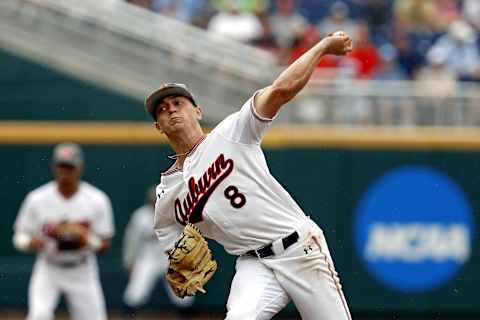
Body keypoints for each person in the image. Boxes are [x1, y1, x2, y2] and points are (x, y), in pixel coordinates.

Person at [146, 31, 353, 319]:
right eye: (162, 110)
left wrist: (323, 46)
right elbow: (166, 231)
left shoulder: (232, 133)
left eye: (177, 103)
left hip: (299, 248)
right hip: (253, 264)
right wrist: (174, 258)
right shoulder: (167, 192)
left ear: (197, 111)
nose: (170, 110)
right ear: (158, 126)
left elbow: (281, 90)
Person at [12, 143, 115, 320]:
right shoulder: (37, 199)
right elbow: (19, 236)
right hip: (49, 267)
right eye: (62, 166)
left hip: (82, 268)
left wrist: (86, 239)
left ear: (79, 168)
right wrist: (29, 243)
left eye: (70, 167)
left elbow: (105, 244)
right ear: (54, 167)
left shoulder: (97, 200)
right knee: (39, 316)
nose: (65, 172)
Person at [122, 186, 194, 318]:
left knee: (182, 289)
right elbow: (131, 240)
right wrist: (129, 260)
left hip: (171, 255)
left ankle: (185, 315)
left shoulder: (176, 212)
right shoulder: (140, 216)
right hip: (148, 256)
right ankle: (129, 315)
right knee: (137, 288)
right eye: (154, 199)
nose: (156, 201)